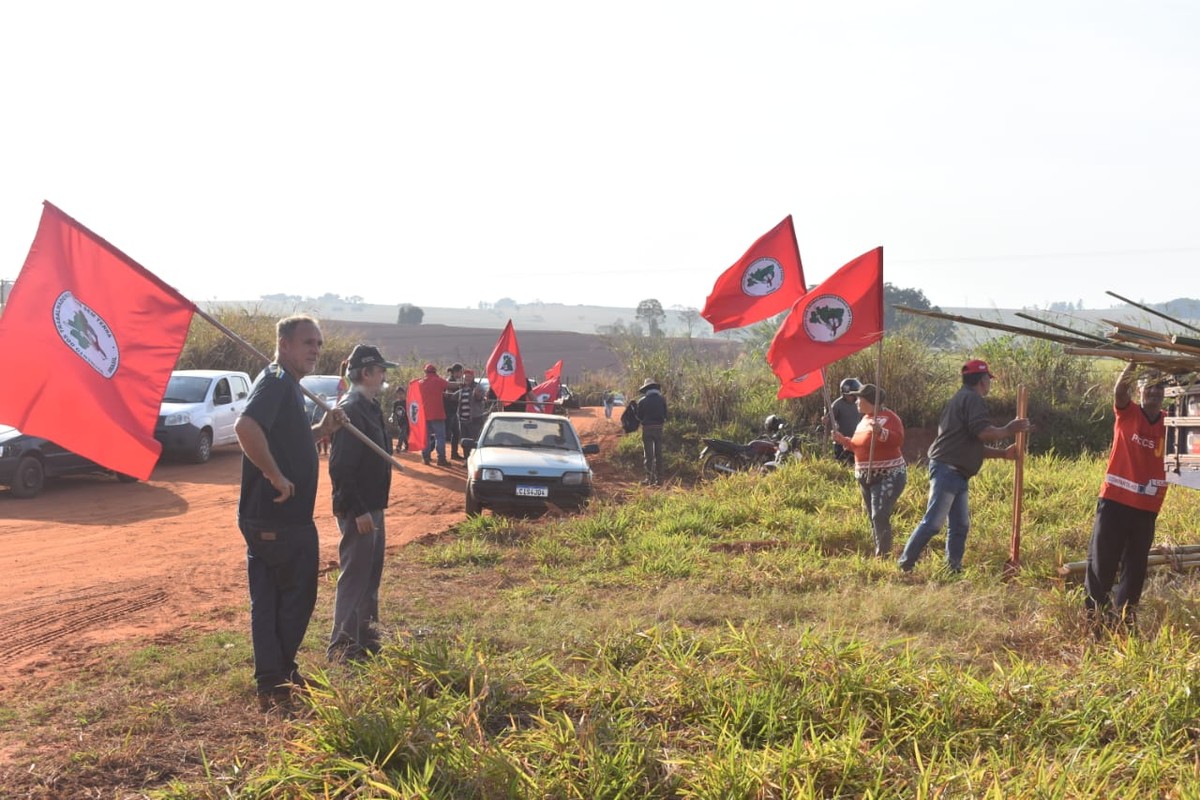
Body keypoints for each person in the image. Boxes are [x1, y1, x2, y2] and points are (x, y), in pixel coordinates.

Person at [234, 315, 345, 712]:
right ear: (284, 343)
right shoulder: (277, 380)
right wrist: (275, 475)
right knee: (296, 597)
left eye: (318, 343)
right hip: (279, 515)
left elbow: (289, 439)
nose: (315, 350)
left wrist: (322, 428)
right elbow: (246, 427)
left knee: (269, 600)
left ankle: (275, 678)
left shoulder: (287, 384)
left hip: (269, 515)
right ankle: (277, 676)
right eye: (307, 343)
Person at [897, 360, 1030, 573]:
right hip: (948, 469)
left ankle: (953, 569)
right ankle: (905, 565)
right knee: (933, 522)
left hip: (955, 471)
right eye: (989, 380)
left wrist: (1003, 454)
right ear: (982, 381)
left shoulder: (961, 399)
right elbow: (983, 433)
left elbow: (971, 444)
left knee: (959, 526)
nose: (990, 384)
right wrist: (1009, 429)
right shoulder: (972, 399)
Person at [1084, 364, 1168, 633]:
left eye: (1159, 387)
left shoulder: (1170, 423)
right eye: (1149, 386)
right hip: (1115, 504)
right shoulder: (1128, 412)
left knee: (1135, 569)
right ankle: (1094, 619)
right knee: (1102, 563)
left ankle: (1124, 621)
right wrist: (1133, 362)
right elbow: (1120, 389)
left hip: (1146, 509)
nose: (1154, 392)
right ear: (1140, 389)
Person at [327, 344, 396, 663]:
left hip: (374, 506)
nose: (384, 375)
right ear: (366, 373)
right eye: (380, 370)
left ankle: (367, 640)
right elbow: (340, 467)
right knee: (356, 577)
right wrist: (358, 511)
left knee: (370, 576)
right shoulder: (351, 408)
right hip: (361, 509)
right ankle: (343, 648)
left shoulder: (370, 405)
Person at [831, 384, 907, 558]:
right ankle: (880, 550)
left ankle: (883, 555)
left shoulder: (889, 418)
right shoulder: (864, 420)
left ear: (871, 401)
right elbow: (858, 446)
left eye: (860, 399)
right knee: (873, 516)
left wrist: (881, 432)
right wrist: (843, 440)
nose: (857, 402)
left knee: (879, 514)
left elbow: (897, 440)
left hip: (888, 475)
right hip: (865, 476)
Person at [418, 363, 453, 466]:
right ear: (435, 372)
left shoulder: (420, 383)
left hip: (424, 414)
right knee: (440, 437)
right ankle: (441, 459)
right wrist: (462, 384)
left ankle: (426, 458)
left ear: (425, 372)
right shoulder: (438, 381)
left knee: (426, 437)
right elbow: (450, 385)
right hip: (438, 414)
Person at [635, 378, 668, 485]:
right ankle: (660, 480)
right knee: (659, 454)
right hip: (659, 429)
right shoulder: (662, 399)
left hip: (647, 429)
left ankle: (650, 479)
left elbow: (639, 417)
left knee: (649, 455)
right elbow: (666, 415)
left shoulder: (642, 401)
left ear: (646, 389)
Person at [826, 378, 864, 465]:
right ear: (844, 394)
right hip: (841, 442)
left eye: (855, 395)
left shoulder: (859, 404)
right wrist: (826, 421)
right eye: (851, 395)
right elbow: (830, 419)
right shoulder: (837, 405)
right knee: (842, 464)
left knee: (856, 464)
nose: (853, 397)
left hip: (855, 440)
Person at [456, 369, 487, 457]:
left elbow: (480, 398)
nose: (467, 379)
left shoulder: (478, 387)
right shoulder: (462, 388)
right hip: (462, 419)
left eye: (469, 377)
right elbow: (455, 397)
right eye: (466, 377)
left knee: (473, 440)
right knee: (464, 441)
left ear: (473, 377)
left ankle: (474, 458)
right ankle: (466, 459)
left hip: (474, 419)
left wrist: (477, 394)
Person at [444, 363, 465, 459]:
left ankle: (454, 453)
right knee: (446, 434)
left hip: (453, 411)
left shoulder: (454, 381)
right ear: (457, 372)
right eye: (461, 372)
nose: (461, 374)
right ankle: (431, 451)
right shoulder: (450, 382)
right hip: (449, 410)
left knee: (455, 433)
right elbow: (449, 396)